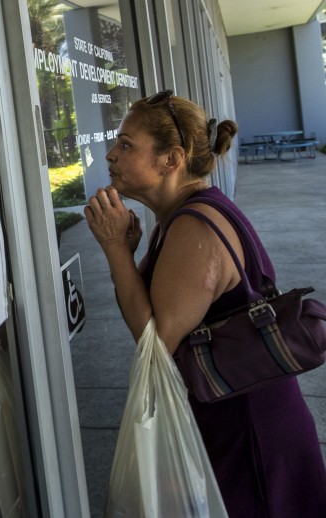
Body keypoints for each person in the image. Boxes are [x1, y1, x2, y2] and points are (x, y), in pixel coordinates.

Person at [84, 90, 326, 516]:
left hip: (251, 434)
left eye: (126, 145)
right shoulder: (176, 219)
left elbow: (154, 345)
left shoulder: (195, 226)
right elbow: (155, 309)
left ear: (171, 160)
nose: (110, 155)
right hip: (233, 422)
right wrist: (128, 252)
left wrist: (116, 252)